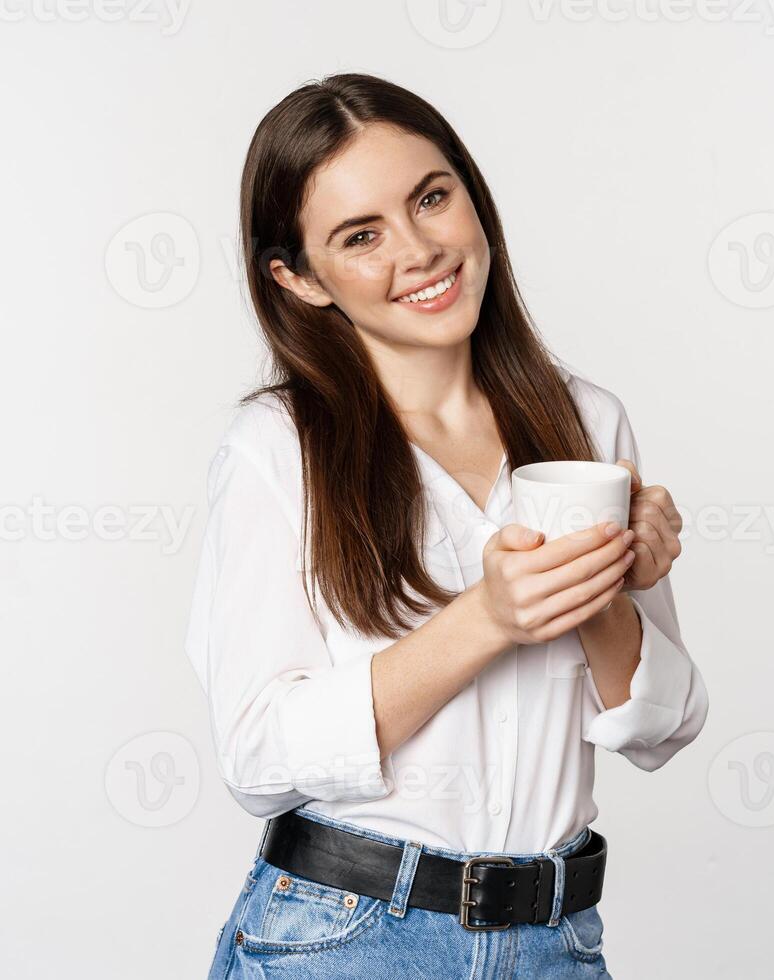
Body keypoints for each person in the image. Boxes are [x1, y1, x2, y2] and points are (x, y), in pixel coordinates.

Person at [188, 73, 708, 978]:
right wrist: (488, 620)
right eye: (361, 236)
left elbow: (665, 728)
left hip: (556, 941)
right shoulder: (278, 448)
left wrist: (607, 588)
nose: (421, 250)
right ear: (300, 279)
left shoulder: (586, 424)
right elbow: (259, 757)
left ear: (472, 194)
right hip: (343, 941)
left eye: (432, 197)